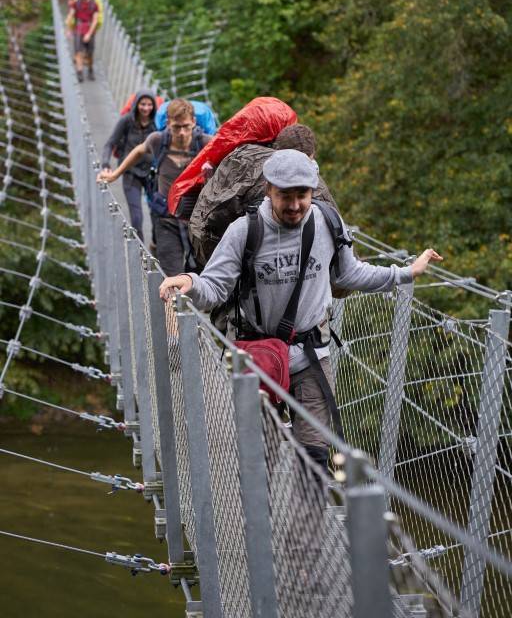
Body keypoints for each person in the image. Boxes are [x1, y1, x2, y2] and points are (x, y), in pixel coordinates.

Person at [159, 149, 443, 470]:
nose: (294, 206)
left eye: (302, 195)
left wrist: (406, 272)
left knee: (315, 459)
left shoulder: (328, 222)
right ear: (269, 189)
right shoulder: (244, 231)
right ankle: (259, 516)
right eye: (285, 196)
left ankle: (307, 518)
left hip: (312, 354)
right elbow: (215, 287)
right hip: (259, 356)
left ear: (313, 191)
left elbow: (350, 274)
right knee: (257, 458)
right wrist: (189, 282)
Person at [188, 123, 337, 267]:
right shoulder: (316, 184)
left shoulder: (245, 160)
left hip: (242, 262)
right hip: (295, 264)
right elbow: (340, 250)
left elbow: (215, 213)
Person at [98, 98, 212, 274]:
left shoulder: (204, 143)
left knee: (197, 276)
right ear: (168, 124)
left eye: (186, 127)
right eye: (176, 127)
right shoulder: (158, 140)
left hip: (197, 220)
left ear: (194, 123)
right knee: (171, 274)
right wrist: (114, 174)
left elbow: (228, 157)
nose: (181, 133)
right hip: (166, 218)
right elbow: (138, 151)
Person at [98, 90, 157, 242]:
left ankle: (156, 244)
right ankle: (140, 253)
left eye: (150, 104)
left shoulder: (157, 123)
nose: (146, 108)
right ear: (136, 105)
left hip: (152, 173)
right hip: (130, 172)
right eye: (143, 104)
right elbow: (110, 143)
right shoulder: (126, 121)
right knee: (137, 217)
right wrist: (105, 164)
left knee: (158, 214)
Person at [65, 0, 99, 82]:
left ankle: (90, 69)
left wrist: (89, 33)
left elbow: (95, 20)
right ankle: (79, 72)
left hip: (88, 29)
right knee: (78, 52)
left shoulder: (94, 5)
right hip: (79, 30)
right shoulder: (77, 3)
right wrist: (68, 29)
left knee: (89, 53)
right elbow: (71, 15)